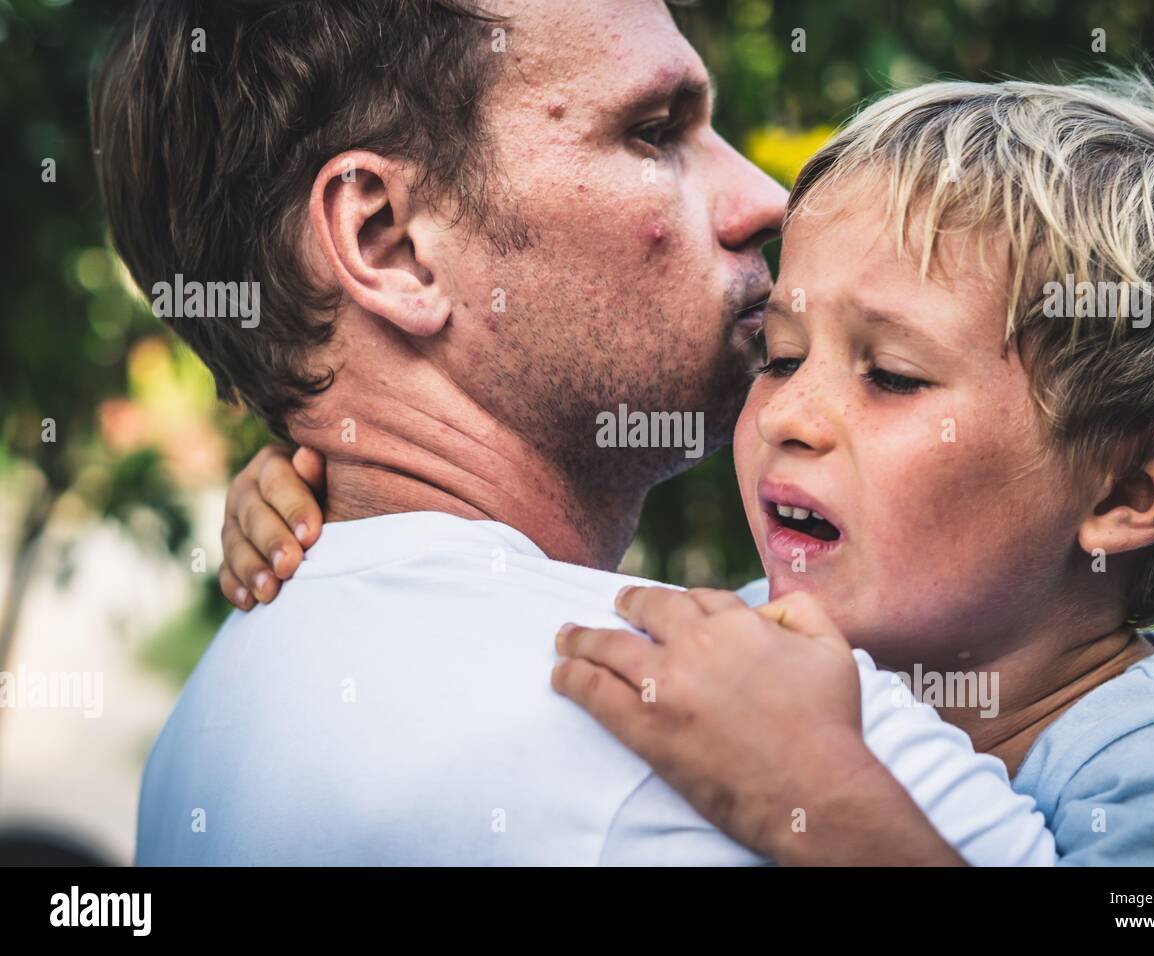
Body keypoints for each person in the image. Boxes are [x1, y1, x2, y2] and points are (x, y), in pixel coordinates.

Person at [232, 75, 1154, 865]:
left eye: (889, 375)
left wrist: (823, 798)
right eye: (779, 354)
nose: (790, 412)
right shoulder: (761, 625)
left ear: (1119, 492)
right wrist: (324, 494)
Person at [97, 1, 1052, 864]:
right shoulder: (751, 741)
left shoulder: (203, 735)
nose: (765, 197)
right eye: (652, 132)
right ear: (389, 241)